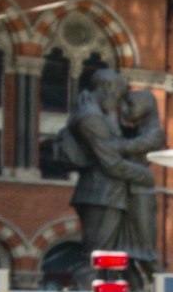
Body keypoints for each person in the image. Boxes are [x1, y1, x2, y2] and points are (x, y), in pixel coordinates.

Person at [65, 64, 163, 276]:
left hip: (109, 195)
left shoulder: (98, 112)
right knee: (95, 260)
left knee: (108, 261)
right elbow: (111, 162)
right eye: (120, 95)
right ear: (108, 87)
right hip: (101, 194)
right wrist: (145, 176)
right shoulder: (90, 116)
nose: (120, 104)